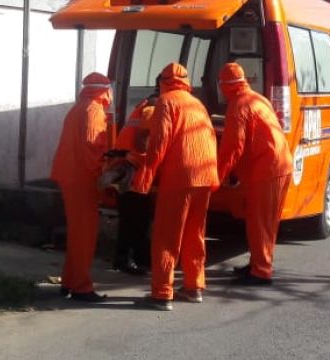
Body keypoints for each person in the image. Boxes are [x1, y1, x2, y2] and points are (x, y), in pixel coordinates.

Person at [130, 62, 219, 311]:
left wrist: (144, 178)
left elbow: (159, 143)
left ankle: (162, 293)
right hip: (204, 175)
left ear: (163, 82)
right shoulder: (197, 103)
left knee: (167, 236)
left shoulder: (166, 103)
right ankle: (193, 287)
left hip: (180, 177)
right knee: (195, 233)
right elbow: (210, 138)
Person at [216, 62, 294, 285]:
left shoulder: (238, 106)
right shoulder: (257, 99)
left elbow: (233, 147)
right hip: (277, 164)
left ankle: (260, 271)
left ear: (225, 85)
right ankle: (259, 263)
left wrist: (217, 177)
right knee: (264, 222)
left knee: (259, 222)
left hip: (267, 168)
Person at [48, 72, 112, 304]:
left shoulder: (78, 108)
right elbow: (92, 148)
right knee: (84, 235)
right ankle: (81, 288)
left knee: (77, 233)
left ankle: (69, 281)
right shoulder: (94, 111)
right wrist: (103, 177)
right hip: (82, 179)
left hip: (71, 177)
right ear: (104, 91)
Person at [109, 95, 156, 275]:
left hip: (126, 168)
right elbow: (142, 143)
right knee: (136, 218)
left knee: (133, 217)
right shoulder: (151, 110)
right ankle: (126, 260)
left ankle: (136, 258)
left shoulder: (143, 107)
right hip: (134, 171)